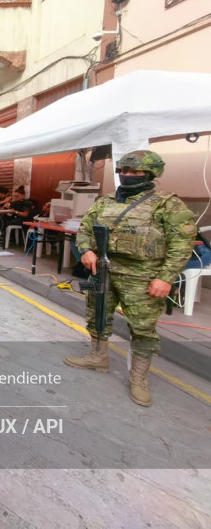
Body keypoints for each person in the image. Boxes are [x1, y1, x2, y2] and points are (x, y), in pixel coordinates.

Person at [64, 151, 196, 406]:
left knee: (143, 328)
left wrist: (166, 277)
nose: (127, 176)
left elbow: (182, 242)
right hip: (103, 270)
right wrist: (86, 249)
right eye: (123, 171)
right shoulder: (105, 202)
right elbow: (84, 228)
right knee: (97, 315)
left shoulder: (166, 204)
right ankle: (98, 356)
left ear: (150, 174)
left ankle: (138, 378)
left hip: (143, 276)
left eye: (135, 173)